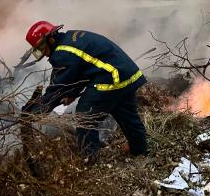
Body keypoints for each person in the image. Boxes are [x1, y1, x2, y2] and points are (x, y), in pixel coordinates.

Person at [21, 21, 148, 163]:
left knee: (85, 114)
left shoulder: (63, 53)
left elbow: (58, 88)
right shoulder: (69, 40)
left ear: (50, 38)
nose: (44, 53)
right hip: (126, 73)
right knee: (125, 112)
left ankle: (89, 160)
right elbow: (82, 71)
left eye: (42, 47)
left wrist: (36, 111)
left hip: (112, 76)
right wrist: (72, 93)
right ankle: (139, 150)